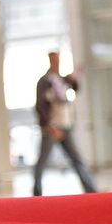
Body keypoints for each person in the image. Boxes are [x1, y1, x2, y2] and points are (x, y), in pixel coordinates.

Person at [32, 51, 98, 196]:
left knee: (77, 160)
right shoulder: (44, 81)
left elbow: (74, 86)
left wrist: (75, 74)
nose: (57, 63)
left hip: (65, 126)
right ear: (50, 61)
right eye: (55, 60)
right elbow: (40, 107)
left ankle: (92, 191)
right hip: (52, 127)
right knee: (42, 162)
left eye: (59, 60)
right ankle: (36, 194)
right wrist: (49, 126)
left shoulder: (61, 80)